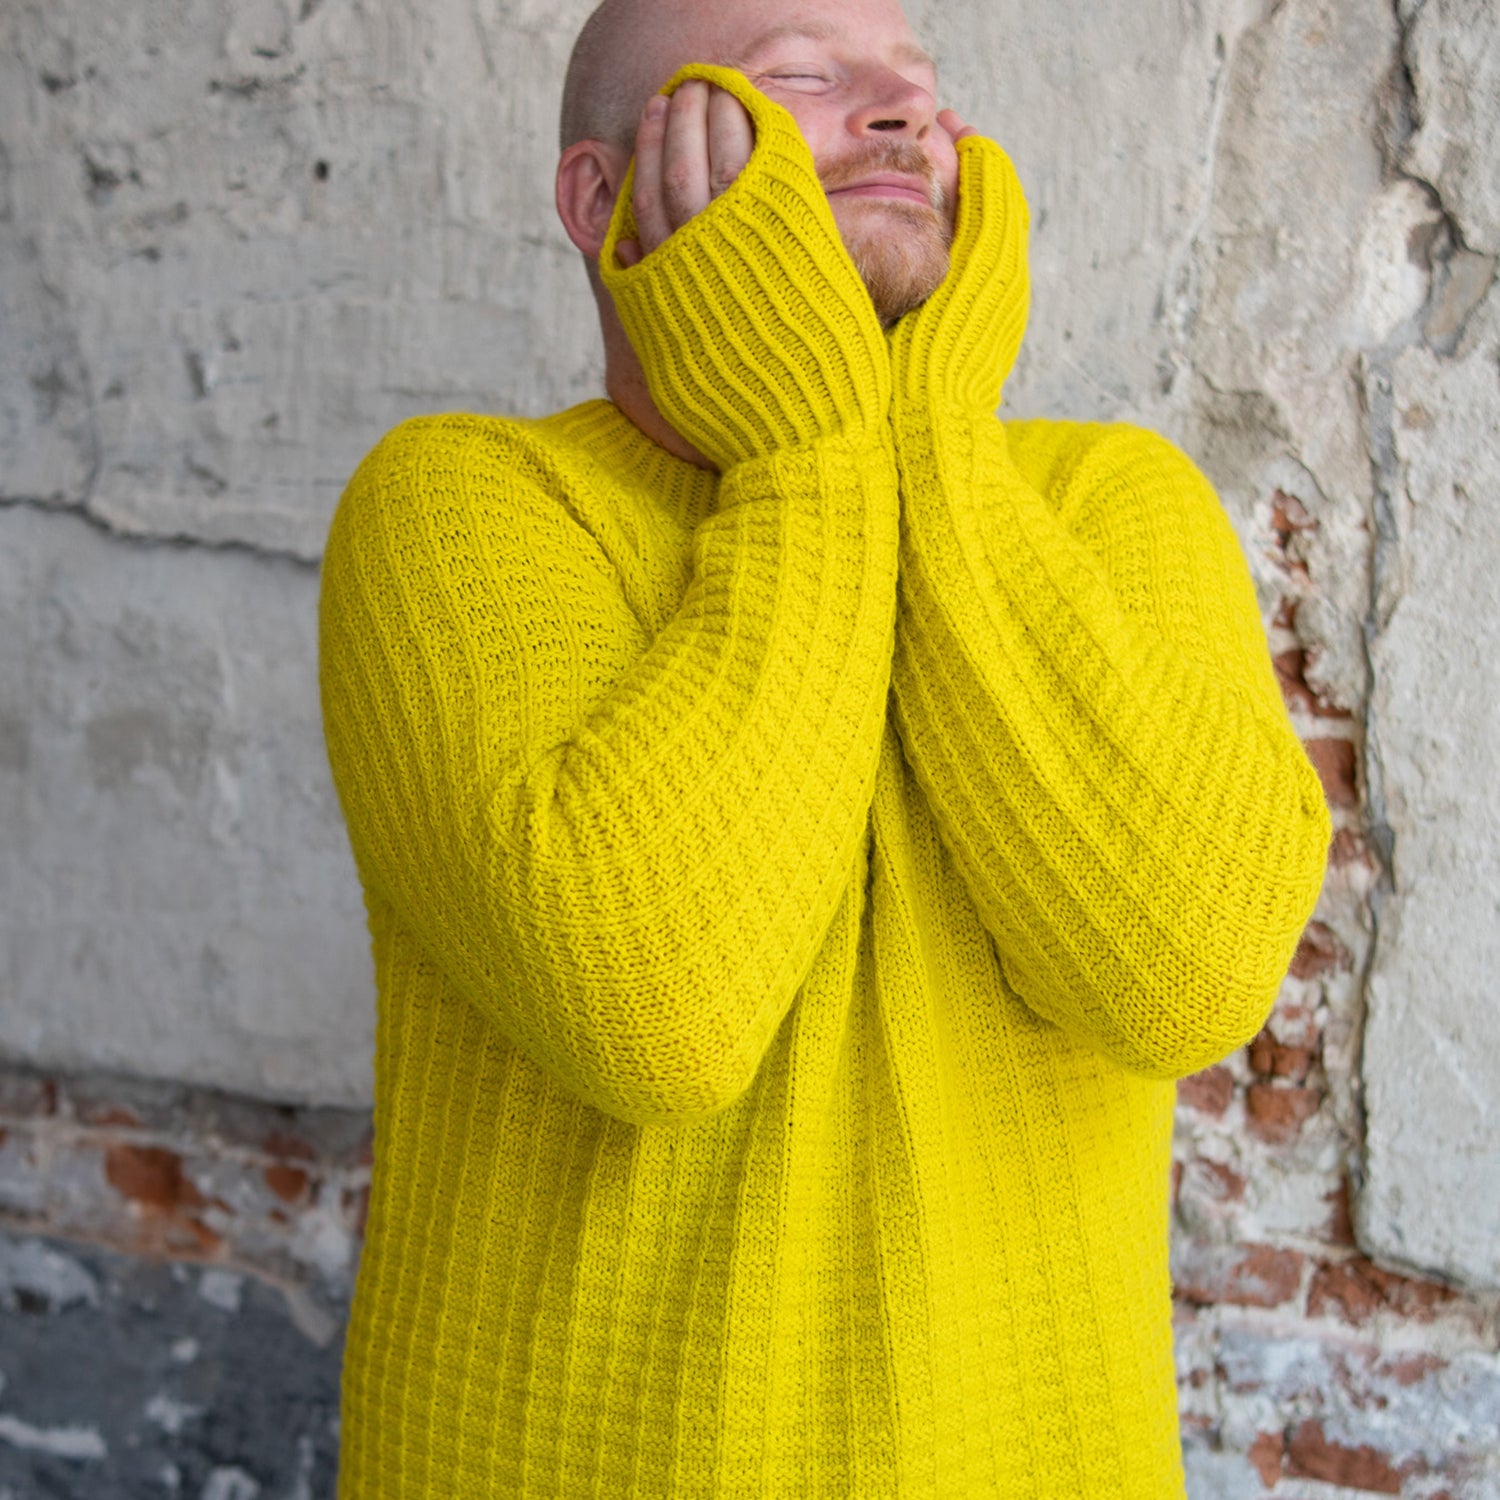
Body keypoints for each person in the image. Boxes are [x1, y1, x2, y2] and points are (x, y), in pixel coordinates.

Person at [317, 0, 1332, 1492]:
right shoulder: (462, 508)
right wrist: (806, 449)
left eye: (921, 86)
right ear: (602, 198)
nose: (901, 113)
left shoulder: (1116, 504)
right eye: (801, 75)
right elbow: (656, 1005)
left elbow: (1185, 974)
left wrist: (931, 433)